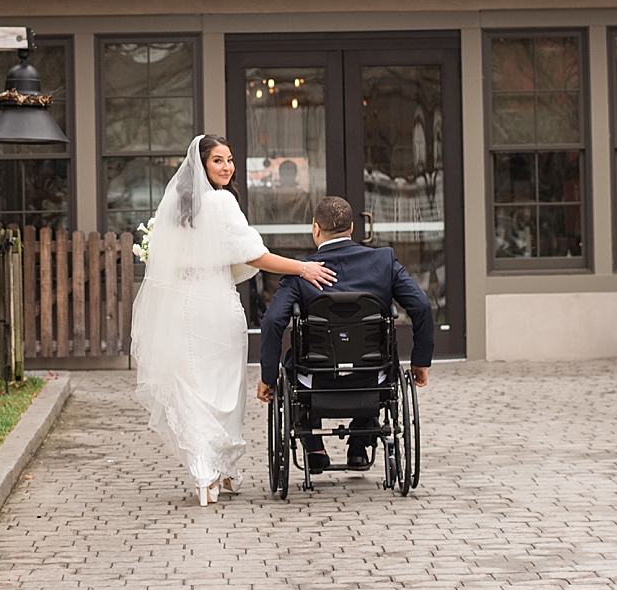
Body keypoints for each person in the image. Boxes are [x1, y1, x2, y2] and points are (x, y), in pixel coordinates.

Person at [131, 134, 336, 507]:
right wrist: (303, 268)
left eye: (229, 160)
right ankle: (215, 471)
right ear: (202, 165)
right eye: (218, 161)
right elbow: (255, 255)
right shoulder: (222, 202)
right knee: (224, 389)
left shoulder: (175, 207)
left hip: (184, 306)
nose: (226, 167)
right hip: (217, 306)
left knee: (194, 385)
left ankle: (210, 473)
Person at [256, 195, 433, 474]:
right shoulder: (383, 261)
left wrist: (268, 377)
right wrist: (420, 362)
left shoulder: (300, 272)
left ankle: (314, 447)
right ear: (352, 229)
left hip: (314, 378)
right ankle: (360, 444)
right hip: (373, 375)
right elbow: (422, 307)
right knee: (378, 354)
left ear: (315, 229)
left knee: (293, 360)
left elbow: (272, 322)